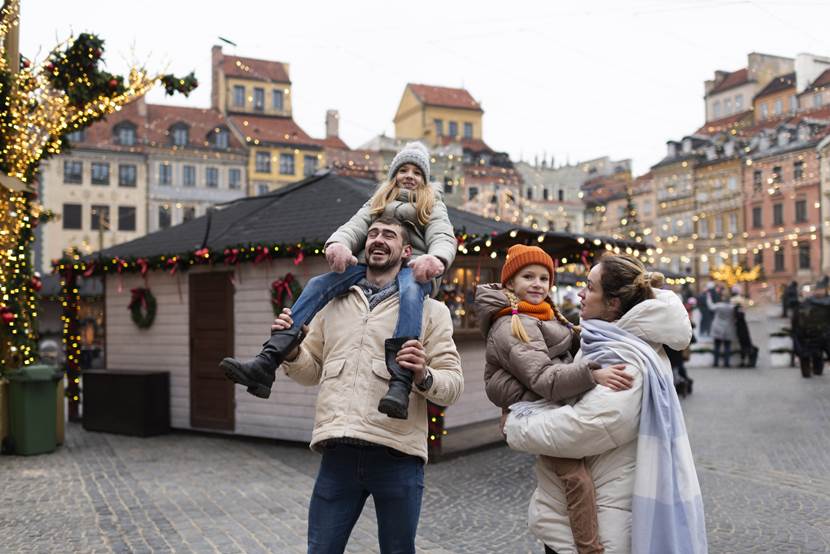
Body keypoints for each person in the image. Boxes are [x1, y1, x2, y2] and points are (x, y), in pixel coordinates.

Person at [221, 141, 456, 420]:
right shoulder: (378, 202)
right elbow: (354, 227)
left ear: (425, 180)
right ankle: (268, 360)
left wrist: (436, 260)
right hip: (371, 266)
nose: (410, 176)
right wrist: (339, 245)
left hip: (415, 269)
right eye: (403, 170)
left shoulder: (432, 205)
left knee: (410, 291)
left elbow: (442, 235)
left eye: (417, 172)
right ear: (393, 176)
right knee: (319, 283)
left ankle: (400, 381)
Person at [273, 216, 464, 553]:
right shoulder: (332, 303)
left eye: (388, 235)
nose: (378, 239)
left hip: (398, 454)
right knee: (321, 549)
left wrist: (423, 375)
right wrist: (291, 353)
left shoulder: (432, 311)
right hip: (338, 453)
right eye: (372, 234)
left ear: (406, 251)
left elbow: (453, 385)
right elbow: (310, 372)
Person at [502, 254, 705, 554]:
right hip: (582, 511)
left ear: (612, 304)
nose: (581, 294)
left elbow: (584, 428)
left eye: (590, 287)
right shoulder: (609, 341)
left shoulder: (626, 358)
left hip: (600, 518)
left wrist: (516, 423)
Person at [475, 245, 632, 554]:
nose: (537, 284)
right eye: (528, 276)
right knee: (576, 478)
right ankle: (589, 549)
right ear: (510, 283)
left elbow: (569, 342)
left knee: (574, 480)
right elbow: (542, 378)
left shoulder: (545, 314)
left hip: (546, 404)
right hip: (533, 407)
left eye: (544, 278)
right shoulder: (512, 323)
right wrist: (592, 374)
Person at [791, 281, 830, 378]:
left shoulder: (823, 302)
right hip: (810, 333)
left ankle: (815, 370)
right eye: (817, 290)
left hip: (822, 333)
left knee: (814, 353)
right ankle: (809, 371)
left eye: (821, 290)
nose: (819, 292)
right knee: (807, 354)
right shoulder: (806, 303)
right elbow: (797, 316)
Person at [708, 287, 736, 368]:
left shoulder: (719, 306)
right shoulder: (732, 307)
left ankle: (715, 363)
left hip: (718, 327)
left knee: (717, 346)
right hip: (728, 328)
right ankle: (726, 363)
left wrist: (708, 297)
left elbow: (710, 306)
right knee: (727, 346)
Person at [732, 294, 758, 368]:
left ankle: (745, 361)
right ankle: (747, 361)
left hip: (741, 330)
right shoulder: (739, 309)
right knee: (745, 346)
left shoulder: (737, 309)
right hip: (743, 330)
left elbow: (739, 318)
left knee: (744, 346)